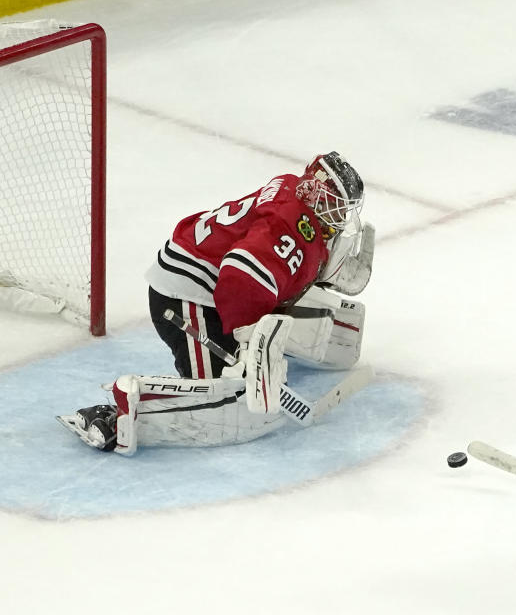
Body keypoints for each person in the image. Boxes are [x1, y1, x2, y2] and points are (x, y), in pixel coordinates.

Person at [58, 152, 375, 455]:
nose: (342, 217)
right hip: (187, 299)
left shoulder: (293, 188)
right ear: (318, 196)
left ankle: (310, 336)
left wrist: (324, 268)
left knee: (271, 304)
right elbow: (239, 278)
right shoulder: (288, 229)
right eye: (337, 207)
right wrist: (245, 339)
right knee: (239, 400)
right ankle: (118, 417)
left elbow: (277, 265)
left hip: (203, 275)